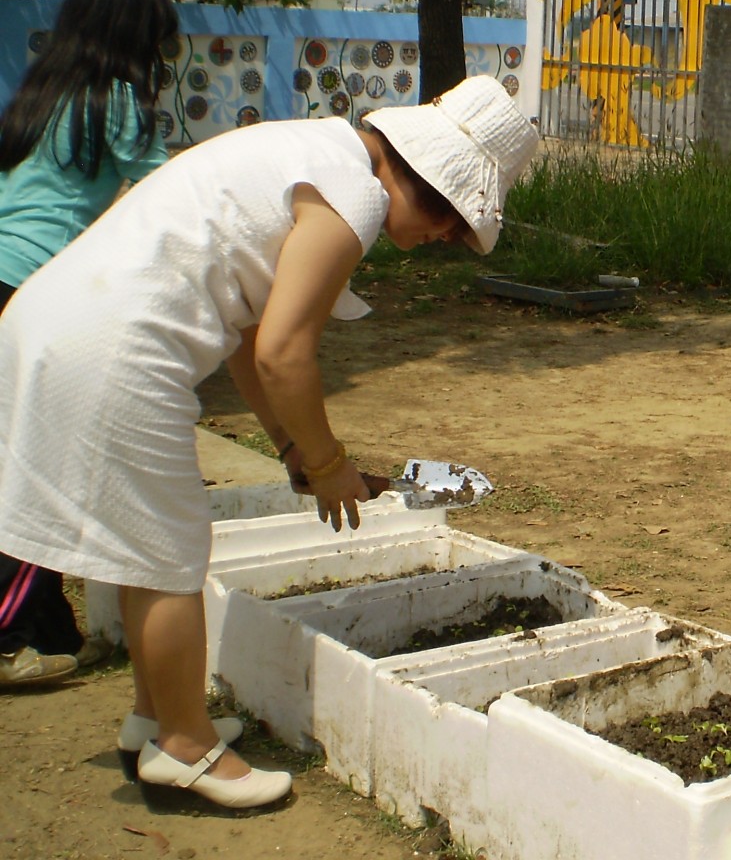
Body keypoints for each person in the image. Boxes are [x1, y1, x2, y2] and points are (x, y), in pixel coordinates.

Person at [0, 74, 538, 811]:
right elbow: (286, 355)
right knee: (168, 554)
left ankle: (155, 721)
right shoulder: (355, 195)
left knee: (143, 546)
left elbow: (253, 340)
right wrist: (329, 463)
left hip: (56, 322)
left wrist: (293, 451)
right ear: (422, 176)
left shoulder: (315, 150)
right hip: (114, 349)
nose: (445, 237)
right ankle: (185, 749)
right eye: (451, 218)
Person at [0, 0, 174, 689]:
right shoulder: (117, 99)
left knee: (15, 461)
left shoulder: (41, 94)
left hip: (4, 277)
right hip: (33, 291)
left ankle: (49, 632)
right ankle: (8, 638)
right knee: (38, 473)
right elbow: (168, 188)